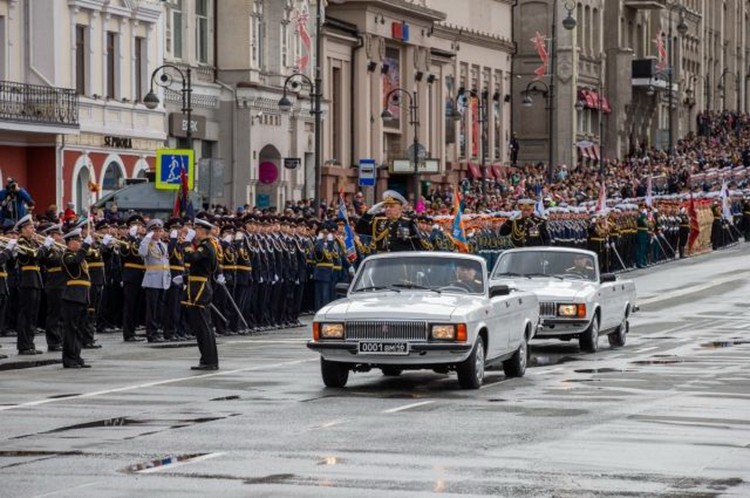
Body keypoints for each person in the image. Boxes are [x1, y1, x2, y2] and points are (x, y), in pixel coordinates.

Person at [181, 217, 219, 370]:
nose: (195, 232)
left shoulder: (206, 246)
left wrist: (186, 244)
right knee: (204, 327)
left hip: (200, 288)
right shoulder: (208, 245)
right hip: (199, 285)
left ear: (203, 231)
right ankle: (208, 359)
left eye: (197, 229)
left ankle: (209, 361)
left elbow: (192, 257)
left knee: (203, 327)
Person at [15, 214, 52, 355]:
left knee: (32, 314)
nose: (33, 230)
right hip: (27, 280)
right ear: (23, 229)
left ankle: (29, 343)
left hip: (35, 280)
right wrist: (44, 248)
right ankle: (23, 345)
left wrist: (43, 246)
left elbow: (41, 260)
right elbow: (34, 256)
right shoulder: (22, 242)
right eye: (31, 227)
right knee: (26, 314)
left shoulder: (31, 242)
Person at [60, 228, 93, 368]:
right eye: (77, 241)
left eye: (80, 241)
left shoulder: (79, 256)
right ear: (69, 242)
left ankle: (77, 356)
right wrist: (85, 246)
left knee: (79, 329)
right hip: (72, 296)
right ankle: (69, 359)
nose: (80, 243)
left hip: (83, 295)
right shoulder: (66, 256)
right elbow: (74, 263)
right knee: (70, 329)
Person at [355, 190, 420, 252]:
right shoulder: (378, 221)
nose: (388, 209)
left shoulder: (408, 223)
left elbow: (417, 244)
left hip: (400, 259)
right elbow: (359, 230)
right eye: (386, 207)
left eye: (392, 206)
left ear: (400, 209)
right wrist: (368, 214)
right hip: (382, 259)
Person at [139, 218, 170, 343]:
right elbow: (142, 253)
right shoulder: (146, 243)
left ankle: (158, 330)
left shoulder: (163, 245)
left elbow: (165, 262)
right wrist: (147, 238)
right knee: (152, 308)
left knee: (159, 308)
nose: (158, 233)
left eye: (160, 230)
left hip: (163, 280)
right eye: (155, 231)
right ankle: (151, 333)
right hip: (152, 280)